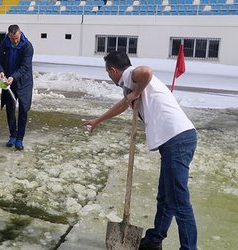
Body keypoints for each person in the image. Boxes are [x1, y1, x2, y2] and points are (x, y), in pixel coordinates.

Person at [83, 51, 197, 250]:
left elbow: (146, 71)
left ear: (113, 70)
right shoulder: (130, 84)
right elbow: (122, 105)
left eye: (108, 72)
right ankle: (154, 239)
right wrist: (98, 120)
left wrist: (135, 93)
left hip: (177, 138)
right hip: (174, 140)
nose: (109, 76)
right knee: (165, 195)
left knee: (179, 200)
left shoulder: (131, 75)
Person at [0, 24, 34, 150]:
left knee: (23, 109)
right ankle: (12, 135)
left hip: (24, 82)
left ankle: (19, 139)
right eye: (12, 39)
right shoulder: (4, 44)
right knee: (10, 108)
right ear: (9, 35)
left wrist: (13, 77)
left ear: (20, 34)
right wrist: (0, 71)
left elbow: (25, 67)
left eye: (17, 38)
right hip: (8, 82)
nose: (15, 41)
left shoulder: (27, 46)